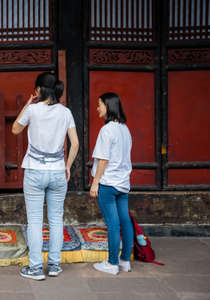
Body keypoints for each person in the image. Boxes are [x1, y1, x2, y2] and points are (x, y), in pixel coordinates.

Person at [12, 72, 79, 280]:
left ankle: (35, 268)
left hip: (35, 170)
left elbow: (15, 129)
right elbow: (75, 144)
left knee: (35, 221)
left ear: (39, 89)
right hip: (58, 170)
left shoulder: (32, 110)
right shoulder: (65, 112)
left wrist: (26, 105)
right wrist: (67, 166)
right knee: (56, 219)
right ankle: (55, 265)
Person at [90, 92, 133, 275]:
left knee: (113, 224)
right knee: (125, 221)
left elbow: (103, 160)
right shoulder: (125, 129)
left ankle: (112, 263)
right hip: (123, 183)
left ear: (108, 106)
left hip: (108, 183)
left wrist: (95, 183)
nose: (97, 108)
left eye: (99, 104)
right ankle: (125, 261)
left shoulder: (107, 130)